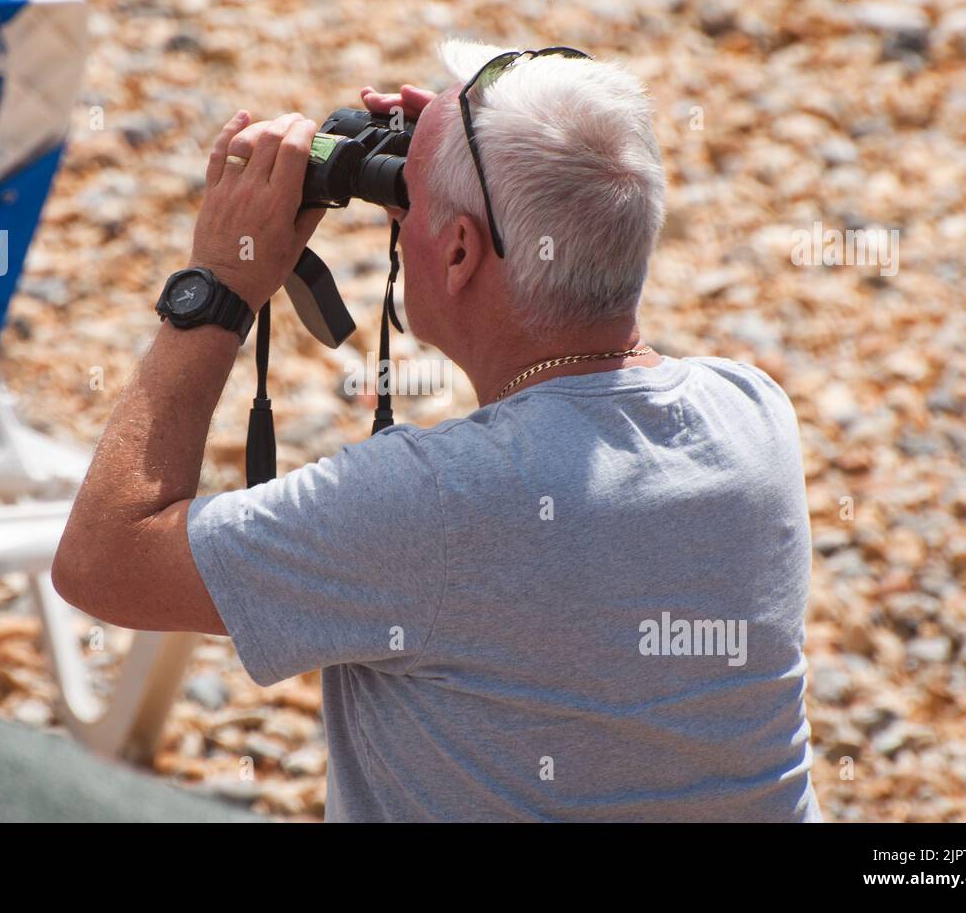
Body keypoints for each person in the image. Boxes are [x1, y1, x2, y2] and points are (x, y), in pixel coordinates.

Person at [53, 40, 822, 822]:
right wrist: (455, 174)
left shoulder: (430, 506)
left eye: (410, 200)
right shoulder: (753, 415)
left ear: (457, 251)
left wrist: (217, 285)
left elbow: (100, 559)